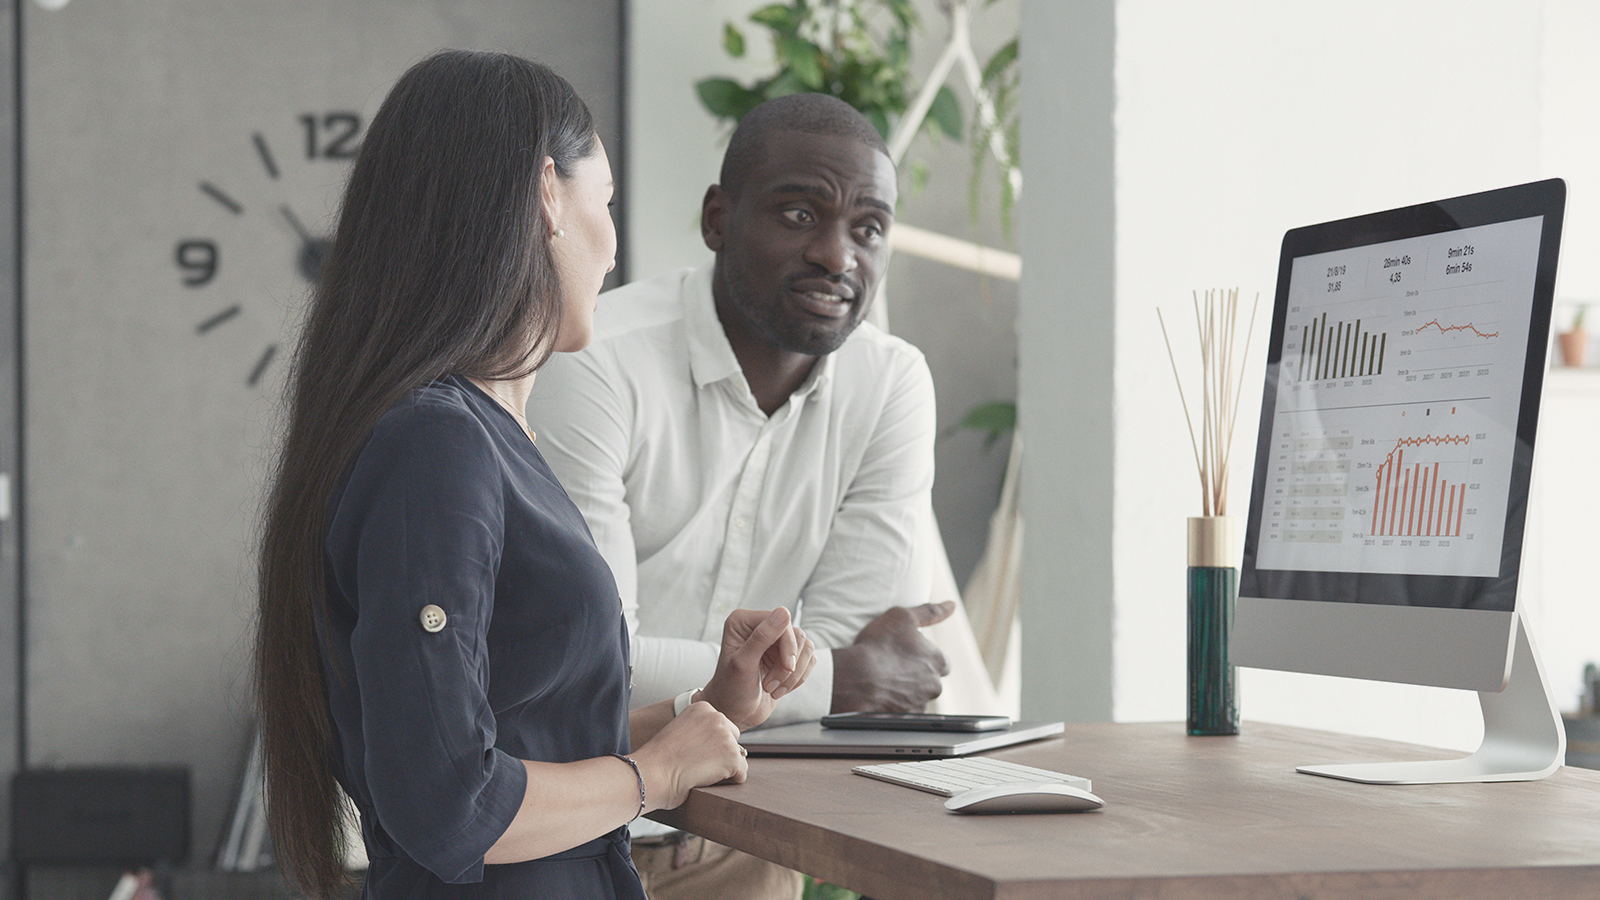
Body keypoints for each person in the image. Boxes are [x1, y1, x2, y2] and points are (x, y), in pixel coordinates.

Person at [252, 50, 814, 900]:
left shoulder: (477, 436)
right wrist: (654, 777)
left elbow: (514, 737)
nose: (616, 247)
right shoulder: (434, 449)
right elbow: (453, 800)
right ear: (546, 194)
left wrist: (701, 712)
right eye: (609, 203)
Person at [526, 92, 953, 899]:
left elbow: (857, 667)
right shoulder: (595, 360)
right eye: (799, 214)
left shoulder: (891, 384)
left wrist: (839, 676)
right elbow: (595, 670)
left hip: (746, 830)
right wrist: (840, 676)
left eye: (869, 228)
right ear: (718, 219)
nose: (838, 255)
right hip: (569, 834)